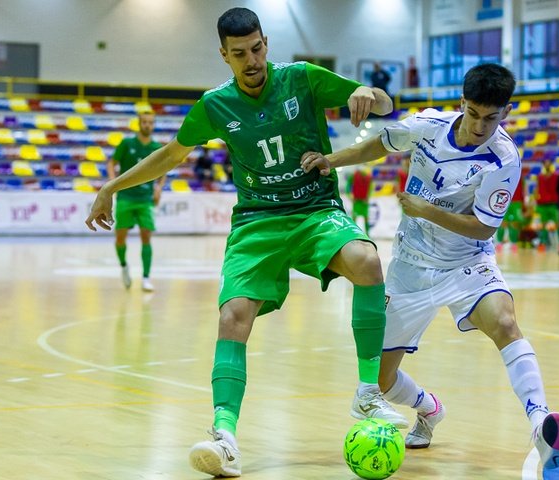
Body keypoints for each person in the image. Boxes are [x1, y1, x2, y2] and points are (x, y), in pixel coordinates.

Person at [85, 7, 406, 478]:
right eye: (239, 54)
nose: (251, 60)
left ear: (266, 44)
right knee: (233, 317)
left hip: (315, 211)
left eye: (256, 49)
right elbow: (171, 154)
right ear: (224, 55)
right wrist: (112, 186)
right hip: (257, 221)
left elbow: (383, 104)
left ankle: (368, 396)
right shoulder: (215, 105)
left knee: (367, 262)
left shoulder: (302, 78)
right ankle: (224, 436)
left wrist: (367, 92)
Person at [302, 63, 559, 470]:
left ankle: (540, 422)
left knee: (504, 322)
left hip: (466, 263)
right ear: (462, 103)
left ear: (506, 112)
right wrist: (332, 160)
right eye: (475, 113)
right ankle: (429, 409)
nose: (481, 125)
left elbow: (482, 227)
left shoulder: (504, 159)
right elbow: (381, 143)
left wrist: (425, 209)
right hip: (410, 267)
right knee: (380, 382)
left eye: (492, 117)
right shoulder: (429, 125)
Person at [106, 111, 165, 292]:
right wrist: (112, 184)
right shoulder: (127, 143)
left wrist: (158, 188)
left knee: (146, 236)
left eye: (150, 122)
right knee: (120, 237)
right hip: (125, 197)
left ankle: (146, 278)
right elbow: (111, 163)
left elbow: (163, 171)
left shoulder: (156, 147)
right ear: (139, 124)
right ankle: (124, 265)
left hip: (145, 199)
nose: (147, 125)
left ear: (153, 125)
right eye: (145, 122)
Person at [534, 158, 559, 250]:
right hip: (542, 204)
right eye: (545, 163)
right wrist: (534, 199)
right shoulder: (540, 177)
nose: (547, 164)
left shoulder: (556, 176)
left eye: (548, 162)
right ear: (543, 165)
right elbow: (536, 189)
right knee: (543, 225)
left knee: (557, 223)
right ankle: (543, 243)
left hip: (553, 204)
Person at [347, 166, 374, 234]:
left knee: (366, 218)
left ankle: (368, 234)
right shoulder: (353, 176)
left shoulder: (368, 177)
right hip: (356, 201)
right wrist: (350, 195)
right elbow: (347, 186)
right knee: (354, 217)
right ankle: (353, 233)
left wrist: (368, 196)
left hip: (364, 201)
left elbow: (371, 187)